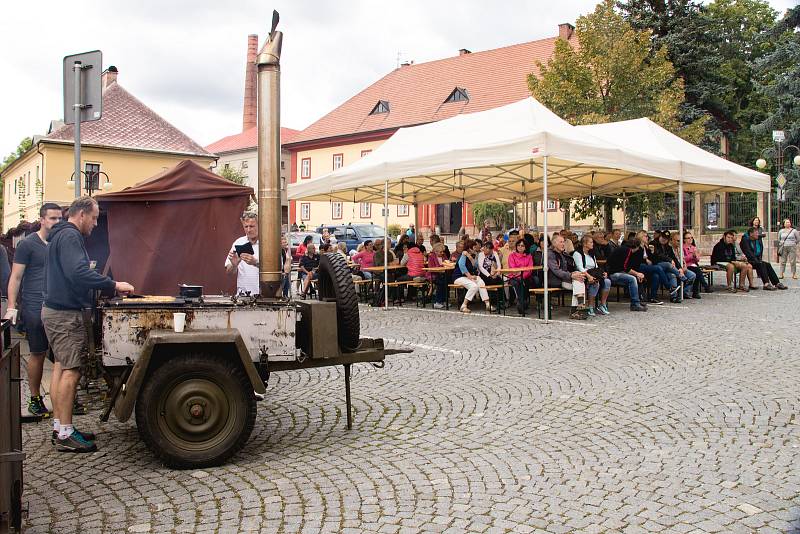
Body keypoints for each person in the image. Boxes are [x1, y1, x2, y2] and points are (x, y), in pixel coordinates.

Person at [42, 196, 134, 452]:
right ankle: (65, 435)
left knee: (62, 368)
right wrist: (114, 284)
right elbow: (77, 273)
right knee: (71, 371)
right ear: (81, 214)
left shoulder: (59, 235)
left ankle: (61, 428)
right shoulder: (70, 236)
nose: (95, 224)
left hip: (55, 311)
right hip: (64, 314)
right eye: (93, 218)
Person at [4, 203, 63, 416]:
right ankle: (35, 398)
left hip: (58, 305)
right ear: (42, 220)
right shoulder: (27, 245)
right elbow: (16, 277)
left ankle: (62, 400)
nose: (57, 222)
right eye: (53, 218)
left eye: (59, 219)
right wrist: (11, 306)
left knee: (61, 355)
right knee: (38, 352)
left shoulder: (60, 242)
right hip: (34, 304)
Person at [548, 234, 590, 319]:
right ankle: (579, 307)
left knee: (579, 280)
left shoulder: (563, 254)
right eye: (561, 242)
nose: (563, 244)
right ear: (554, 243)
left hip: (565, 279)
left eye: (564, 242)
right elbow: (556, 271)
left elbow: (569, 268)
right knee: (579, 282)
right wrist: (571, 275)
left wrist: (575, 273)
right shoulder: (550, 254)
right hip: (555, 280)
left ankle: (577, 309)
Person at [650, 230, 694, 302]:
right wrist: (669, 260)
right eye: (663, 237)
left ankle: (674, 296)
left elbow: (674, 258)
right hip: (657, 264)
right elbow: (657, 255)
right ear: (660, 236)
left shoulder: (668, 247)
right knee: (668, 264)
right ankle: (683, 278)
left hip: (669, 269)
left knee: (672, 275)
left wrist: (679, 268)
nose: (664, 240)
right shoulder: (653, 243)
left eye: (666, 238)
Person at [573, 234, 611, 316]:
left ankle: (602, 304)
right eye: (590, 242)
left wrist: (602, 273)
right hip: (583, 275)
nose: (592, 244)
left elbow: (596, 266)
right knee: (595, 282)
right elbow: (580, 268)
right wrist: (589, 276)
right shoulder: (577, 253)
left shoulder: (591, 253)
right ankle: (590, 306)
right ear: (585, 244)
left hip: (593, 273)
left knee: (607, 281)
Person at [606, 237, 648, 312]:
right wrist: (637, 273)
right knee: (632, 279)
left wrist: (636, 274)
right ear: (636, 246)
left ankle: (639, 299)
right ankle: (635, 304)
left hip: (616, 271)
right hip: (613, 273)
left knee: (636, 277)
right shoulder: (627, 251)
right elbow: (625, 267)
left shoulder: (624, 249)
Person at [453, 239, 492, 313]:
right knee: (474, 286)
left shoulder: (472, 255)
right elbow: (461, 266)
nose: (476, 247)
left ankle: (487, 304)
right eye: (474, 246)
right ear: (469, 248)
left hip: (466, 277)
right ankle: (464, 305)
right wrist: (470, 276)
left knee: (480, 282)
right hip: (458, 277)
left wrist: (470, 258)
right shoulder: (463, 255)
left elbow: (475, 265)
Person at [225, 211, 260, 296]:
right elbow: (228, 272)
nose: (248, 230)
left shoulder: (268, 243)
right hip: (243, 296)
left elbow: (278, 270)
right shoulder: (239, 242)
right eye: (246, 226)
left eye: (251, 226)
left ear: (259, 225)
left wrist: (256, 263)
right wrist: (234, 265)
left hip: (263, 296)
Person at [635, 231, 671, 304]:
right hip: (638, 267)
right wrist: (645, 259)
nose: (647, 237)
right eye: (645, 236)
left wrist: (652, 252)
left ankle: (653, 297)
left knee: (656, 275)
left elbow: (654, 260)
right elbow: (637, 260)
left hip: (647, 267)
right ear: (640, 237)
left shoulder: (646, 247)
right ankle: (669, 287)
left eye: (647, 236)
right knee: (658, 268)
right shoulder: (637, 246)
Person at [681, 231, 711, 297]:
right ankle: (703, 286)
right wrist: (691, 256)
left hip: (694, 265)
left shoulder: (693, 247)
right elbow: (683, 259)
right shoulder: (682, 247)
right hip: (686, 265)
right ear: (684, 239)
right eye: (688, 238)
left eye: (691, 238)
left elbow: (698, 259)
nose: (690, 239)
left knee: (697, 271)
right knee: (697, 271)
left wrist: (695, 256)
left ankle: (696, 291)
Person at [507, 238, 534, 314]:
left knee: (527, 281)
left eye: (522, 245)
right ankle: (522, 302)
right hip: (513, 277)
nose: (520, 247)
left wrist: (522, 274)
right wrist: (520, 274)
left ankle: (521, 302)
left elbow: (529, 269)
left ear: (525, 247)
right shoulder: (512, 256)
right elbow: (513, 269)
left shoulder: (529, 256)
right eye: (518, 245)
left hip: (525, 277)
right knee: (516, 282)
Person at [427, 243, 449, 309]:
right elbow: (431, 268)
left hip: (442, 274)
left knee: (447, 281)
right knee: (441, 283)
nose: (442, 253)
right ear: (435, 251)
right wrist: (441, 266)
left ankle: (444, 300)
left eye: (443, 251)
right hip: (434, 275)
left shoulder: (444, 255)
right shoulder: (431, 257)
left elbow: (447, 262)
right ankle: (437, 302)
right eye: (440, 252)